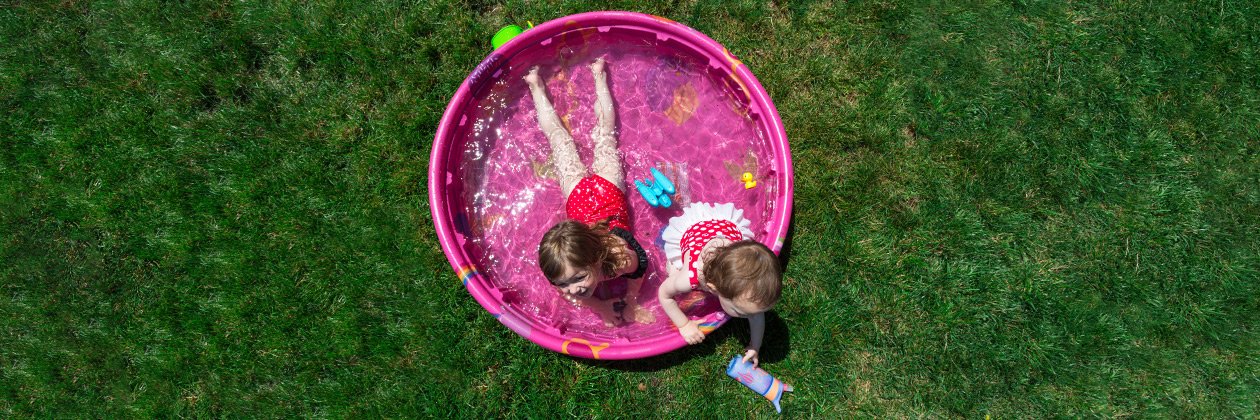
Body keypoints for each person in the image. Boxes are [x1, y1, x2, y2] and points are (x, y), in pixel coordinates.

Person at [528, 58, 654, 327]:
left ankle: (599, 76)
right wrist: (600, 306)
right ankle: (535, 86)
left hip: (605, 188)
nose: (573, 289)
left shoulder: (620, 259)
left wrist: (631, 301)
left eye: (578, 278)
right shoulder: (563, 267)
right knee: (562, 141)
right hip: (582, 198)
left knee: (604, 134)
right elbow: (568, 292)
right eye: (563, 283)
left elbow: (640, 268)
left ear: (596, 259)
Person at [658, 202, 782, 366]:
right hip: (692, 231)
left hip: (724, 232)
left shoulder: (746, 293)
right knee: (673, 271)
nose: (749, 317)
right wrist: (684, 324)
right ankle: (675, 266)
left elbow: (756, 315)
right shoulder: (689, 278)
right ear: (713, 288)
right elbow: (664, 295)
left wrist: (755, 346)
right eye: (740, 312)